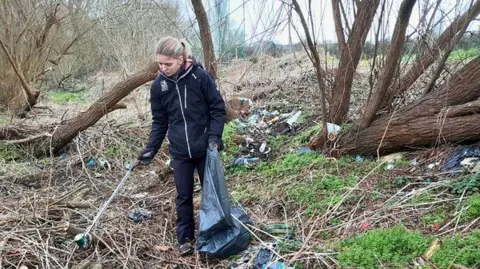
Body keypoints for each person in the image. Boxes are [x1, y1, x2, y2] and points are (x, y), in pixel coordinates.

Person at [136, 37, 226, 256]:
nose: (163, 69)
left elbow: (218, 109)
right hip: (180, 151)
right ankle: (185, 238)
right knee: (183, 196)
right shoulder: (159, 86)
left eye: (168, 64)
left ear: (180, 59)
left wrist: (214, 137)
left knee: (211, 193)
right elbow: (160, 122)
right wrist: (150, 149)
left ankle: (215, 232)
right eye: (160, 64)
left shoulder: (199, 77)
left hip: (205, 148)